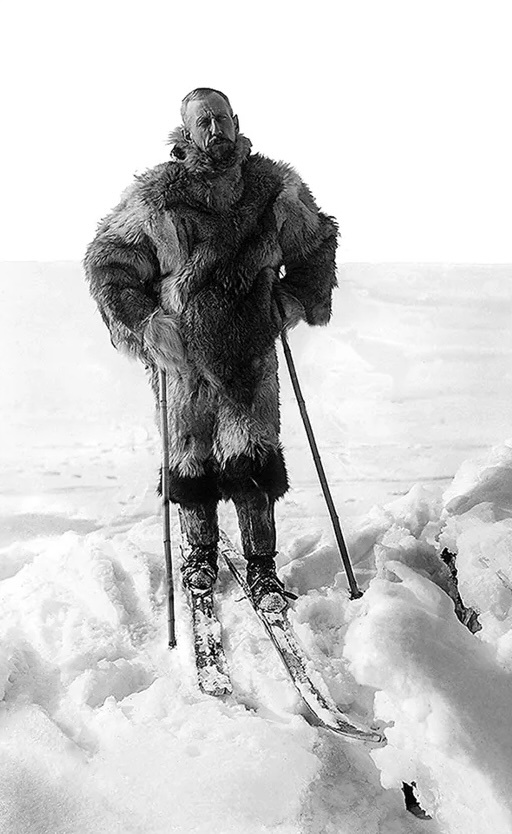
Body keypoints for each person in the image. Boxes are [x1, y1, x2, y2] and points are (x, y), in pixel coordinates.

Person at [84, 87, 338, 611]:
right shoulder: (158, 196)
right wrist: (146, 322)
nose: (215, 130)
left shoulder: (274, 191)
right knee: (191, 459)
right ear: (186, 130)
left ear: (236, 121)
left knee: (251, 456)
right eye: (204, 123)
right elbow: (108, 261)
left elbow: (316, 248)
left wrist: (288, 303)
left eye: (221, 119)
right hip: (183, 359)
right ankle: (198, 555)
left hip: (249, 353)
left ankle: (262, 568)